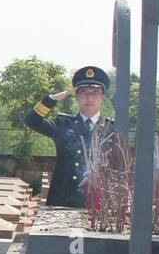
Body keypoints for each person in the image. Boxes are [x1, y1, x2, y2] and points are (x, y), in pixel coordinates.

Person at [26, 66, 114, 207]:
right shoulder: (63, 124)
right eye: (83, 93)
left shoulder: (112, 128)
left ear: (102, 98)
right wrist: (52, 99)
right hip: (63, 200)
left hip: (100, 203)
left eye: (95, 93)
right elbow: (31, 121)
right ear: (76, 97)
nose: (89, 97)